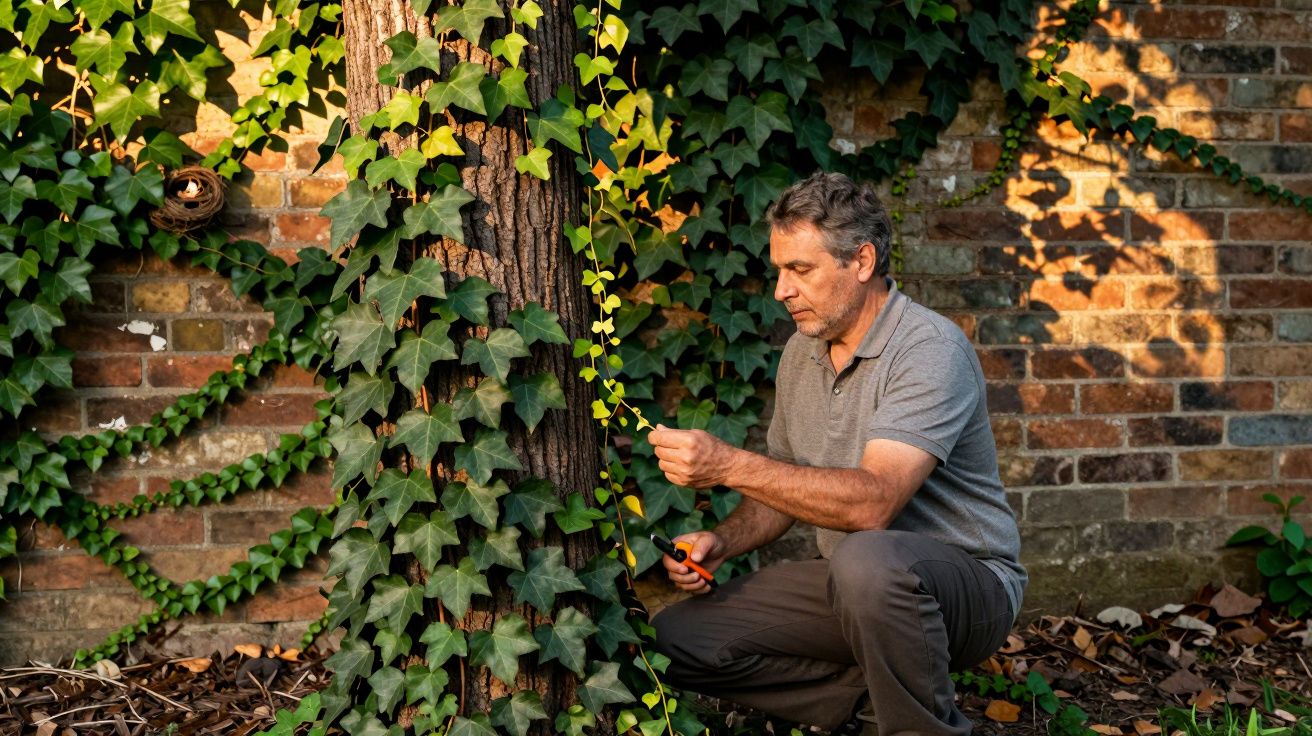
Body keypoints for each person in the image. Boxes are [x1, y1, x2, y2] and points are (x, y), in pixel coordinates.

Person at [646, 171, 1026, 736]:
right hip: (858, 589)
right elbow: (783, 489)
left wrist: (726, 465)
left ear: (863, 262)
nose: (781, 290)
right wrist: (721, 542)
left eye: (800, 269)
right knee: (676, 640)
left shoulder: (929, 349)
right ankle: (875, 703)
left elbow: (873, 506)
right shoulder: (802, 354)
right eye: (779, 270)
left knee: (866, 559)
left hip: (967, 587)